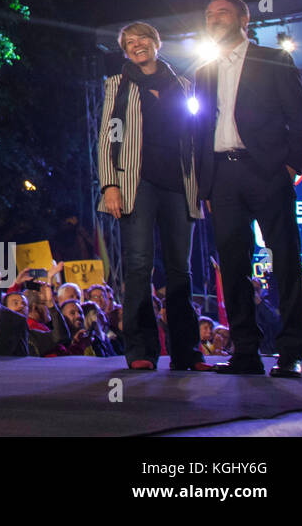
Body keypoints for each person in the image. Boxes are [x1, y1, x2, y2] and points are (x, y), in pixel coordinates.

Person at [192, 0, 302, 378]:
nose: (214, 19)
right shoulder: (204, 71)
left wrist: (292, 164)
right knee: (232, 263)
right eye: (209, 15)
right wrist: (206, 184)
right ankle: (245, 351)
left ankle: (291, 350)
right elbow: (198, 129)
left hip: (266, 170)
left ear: (244, 19)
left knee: (286, 258)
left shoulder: (273, 59)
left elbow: (298, 115)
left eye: (222, 13)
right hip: (223, 175)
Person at [98, 20, 209, 372]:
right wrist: (109, 185)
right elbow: (108, 140)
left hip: (179, 183)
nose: (135, 45)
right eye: (128, 42)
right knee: (139, 264)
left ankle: (186, 351)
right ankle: (141, 349)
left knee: (180, 270)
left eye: (142, 38)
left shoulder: (183, 84)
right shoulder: (117, 86)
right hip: (137, 184)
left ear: (157, 42)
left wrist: (204, 186)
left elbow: (197, 140)